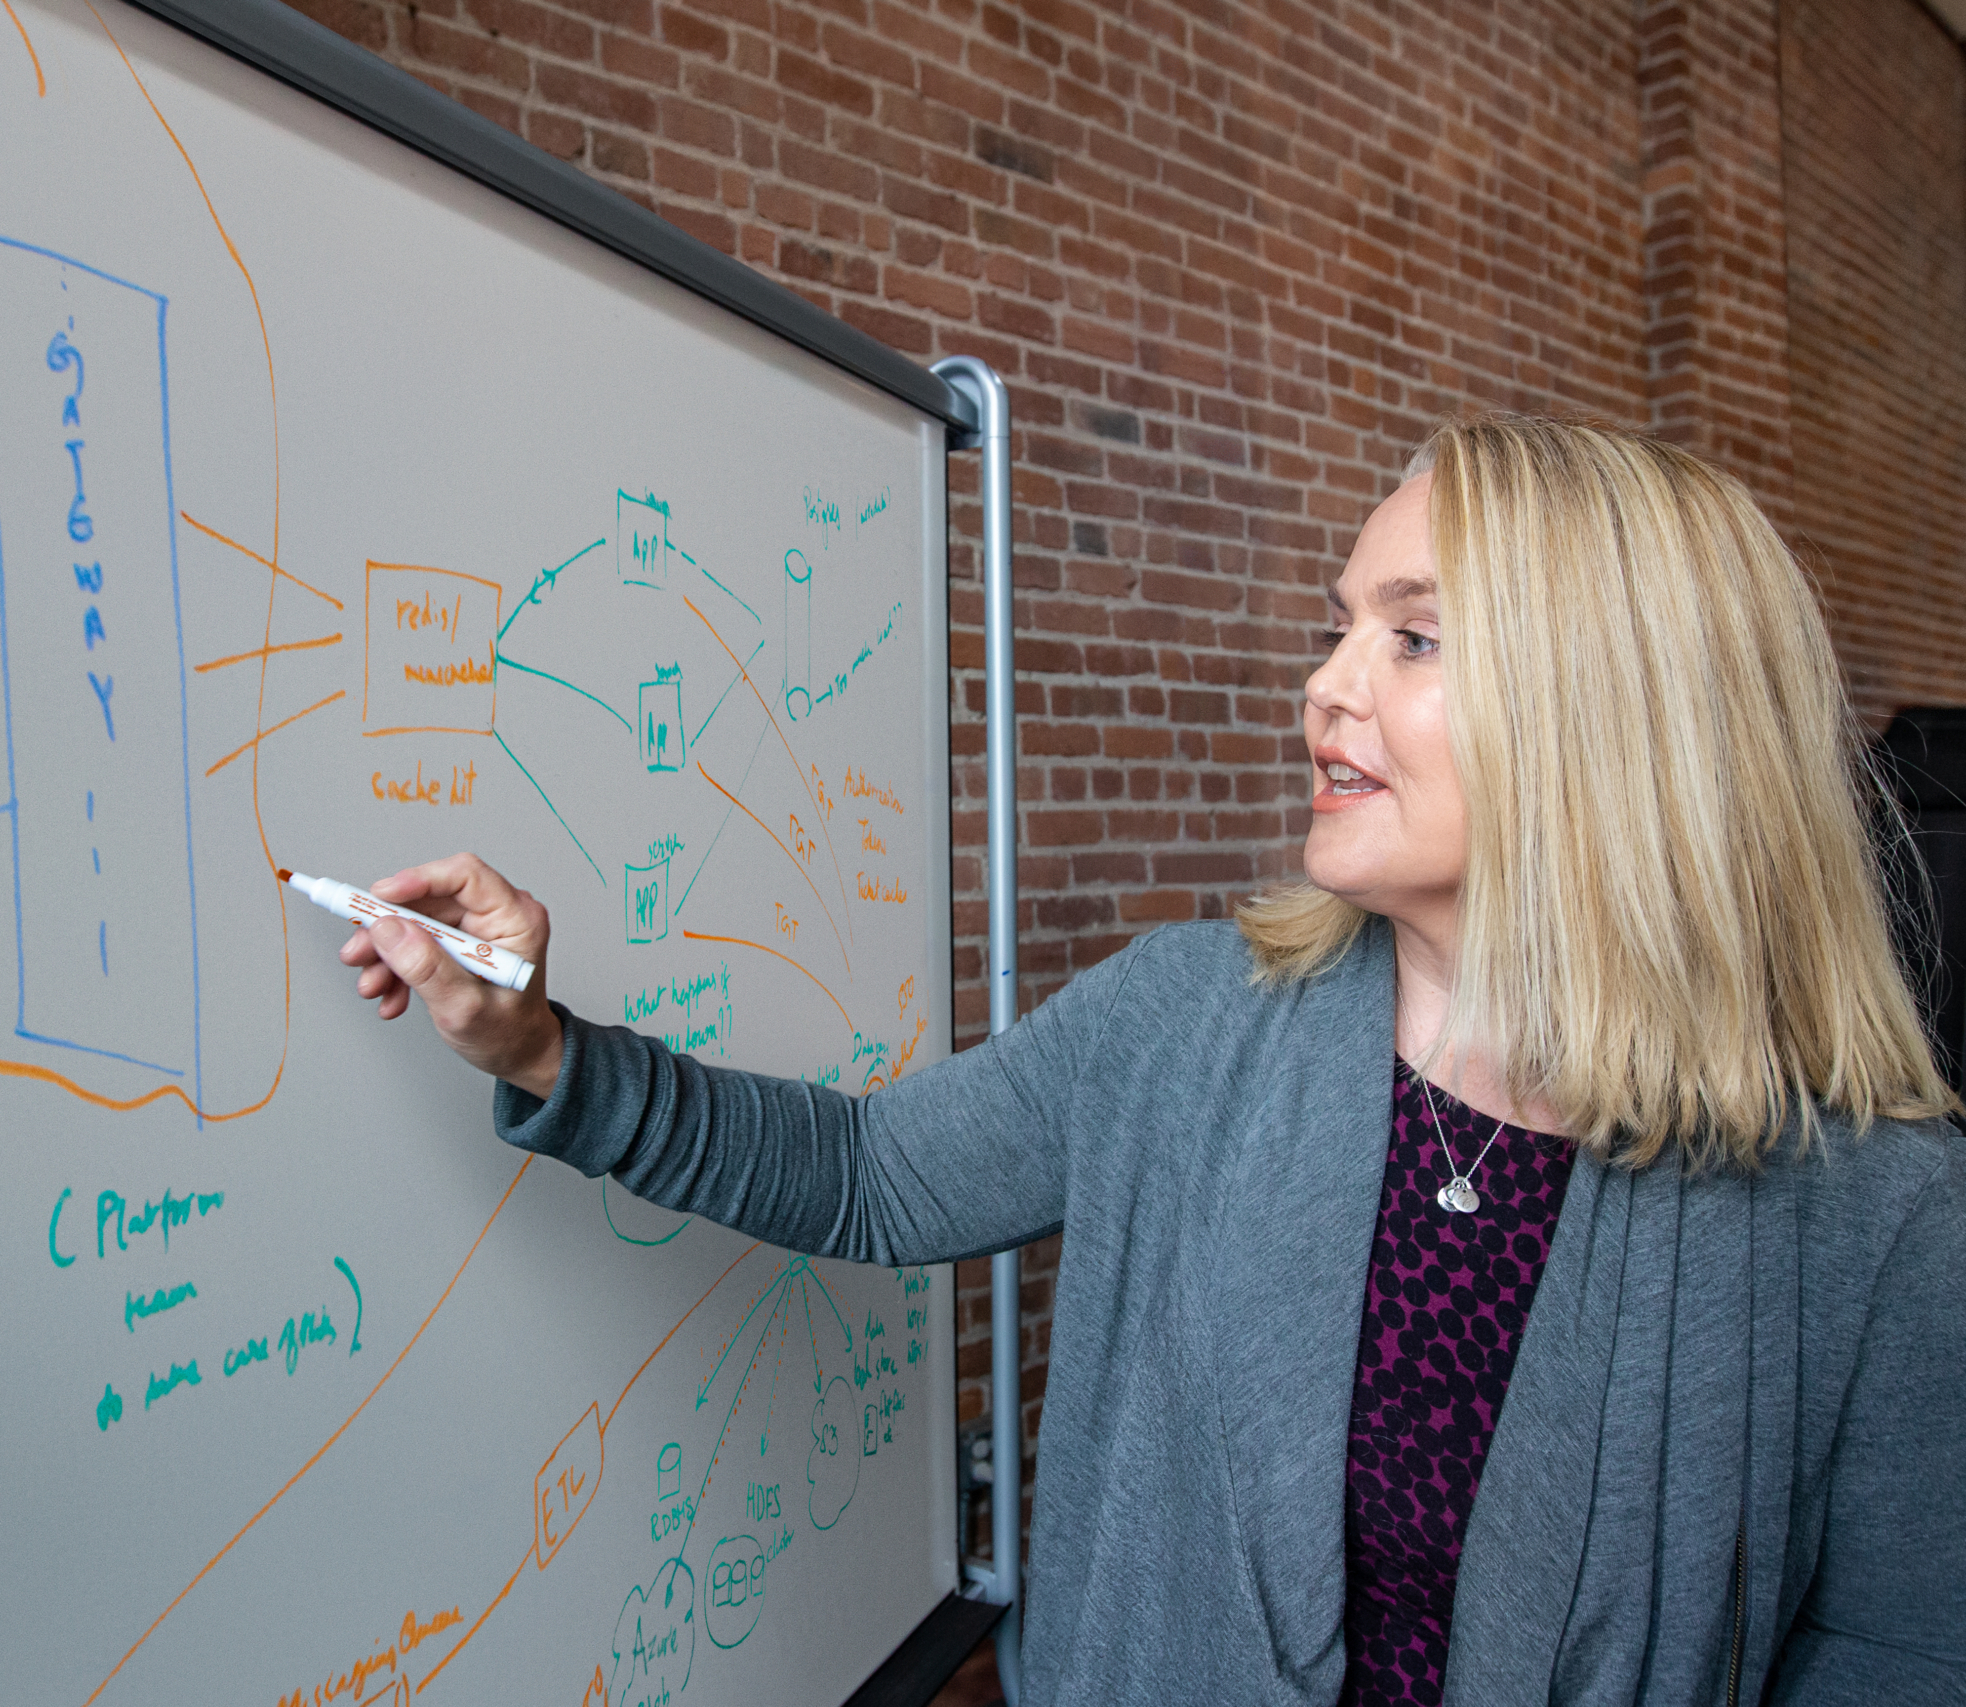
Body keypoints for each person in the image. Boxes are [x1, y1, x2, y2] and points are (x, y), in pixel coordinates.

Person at [325, 417, 1965, 1705]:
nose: (1324, 689)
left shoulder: (1873, 1211)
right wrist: (542, 1044)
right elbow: (875, 1177)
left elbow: (1903, 1653)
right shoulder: (1186, 1024)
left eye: (1414, 640)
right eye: (1344, 628)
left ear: (1619, 711)